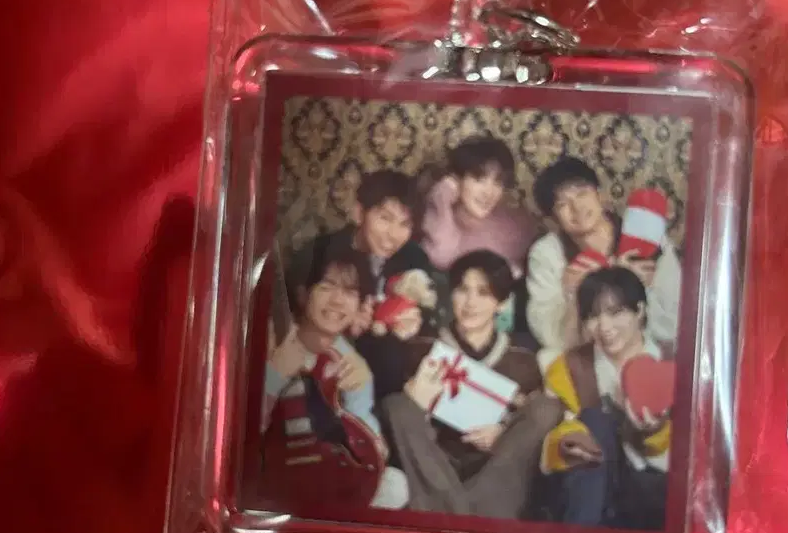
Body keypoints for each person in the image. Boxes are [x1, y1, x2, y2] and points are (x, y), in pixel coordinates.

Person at [379, 249, 561, 519]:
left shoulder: (522, 359)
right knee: (396, 405)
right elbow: (403, 425)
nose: (470, 302)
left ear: (502, 303)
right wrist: (417, 403)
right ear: (451, 294)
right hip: (435, 466)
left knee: (548, 407)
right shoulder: (421, 347)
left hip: (496, 472)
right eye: (463, 290)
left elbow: (529, 429)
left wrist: (505, 431)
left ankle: (456, 515)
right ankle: (468, 516)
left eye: (483, 293)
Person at [260, 242, 408, 511]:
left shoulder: (350, 361)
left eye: (350, 292)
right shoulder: (271, 340)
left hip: (329, 473)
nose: (338, 301)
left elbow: (371, 451)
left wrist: (358, 395)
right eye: (326, 287)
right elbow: (240, 435)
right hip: (275, 475)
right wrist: (275, 375)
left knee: (396, 484)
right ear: (303, 293)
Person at [539, 267, 670, 529]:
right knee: (594, 421)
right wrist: (570, 441)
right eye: (593, 316)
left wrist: (652, 432)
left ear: (639, 310)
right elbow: (550, 435)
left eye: (615, 312)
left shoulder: (672, 363)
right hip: (587, 487)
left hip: (654, 490)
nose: (604, 327)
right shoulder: (568, 368)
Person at [287, 169, 433, 400]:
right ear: (359, 213)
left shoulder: (414, 259)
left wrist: (418, 324)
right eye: (385, 218)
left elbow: (432, 310)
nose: (393, 234)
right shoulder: (322, 254)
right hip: (329, 366)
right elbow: (292, 315)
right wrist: (343, 325)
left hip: (393, 377)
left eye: (404, 224)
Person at [526, 158, 681, 367]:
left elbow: (673, 324)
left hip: (644, 353)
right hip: (586, 358)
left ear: (600, 195)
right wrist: (574, 296)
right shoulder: (546, 253)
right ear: (553, 218)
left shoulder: (646, 236)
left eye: (582, 194)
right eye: (562, 204)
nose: (577, 208)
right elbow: (551, 338)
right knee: (548, 359)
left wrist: (637, 287)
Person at [421, 136, 537, 276]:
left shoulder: (513, 228)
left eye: (498, 182)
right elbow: (441, 257)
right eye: (479, 179)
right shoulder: (440, 219)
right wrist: (442, 199)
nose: (488, 192)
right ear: (456, 180)